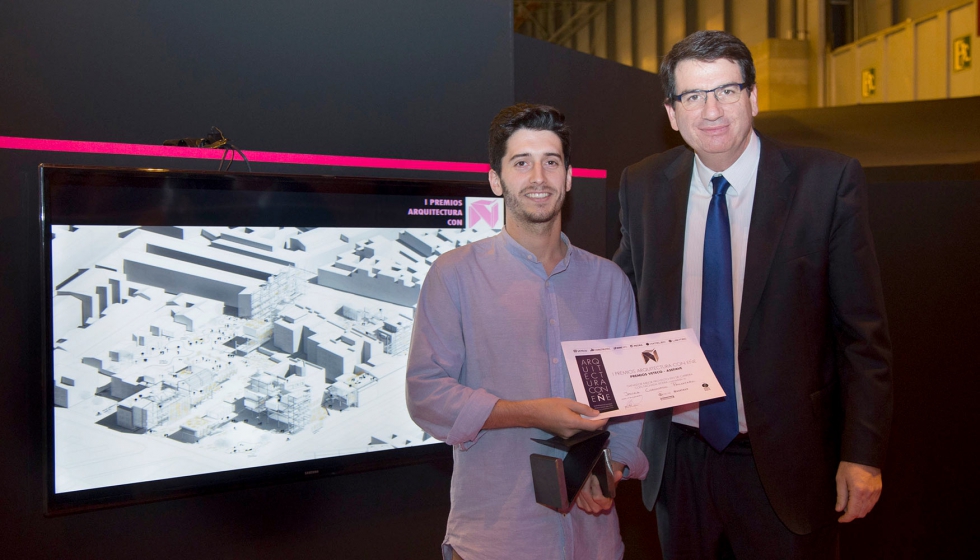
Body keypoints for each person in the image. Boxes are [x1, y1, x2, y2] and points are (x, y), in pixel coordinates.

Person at [613, 31, 893, 559]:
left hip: (784, 465)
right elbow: (620, 308)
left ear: (754, 97)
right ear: (672, 113)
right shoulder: (643, 186)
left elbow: (864, 337)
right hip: (679, 461)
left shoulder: (825, 183)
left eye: (727, 90)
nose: (711, 110)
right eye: (692, 96)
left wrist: (863, 454)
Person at [406, 103, 648, 560]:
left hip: (595, 546)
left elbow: (627, 404)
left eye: (551, 162)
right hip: (493, 543)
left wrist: (611, 468)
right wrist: (529, 412)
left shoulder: (609, 282)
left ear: (569, 176)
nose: (538, 177)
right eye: (522, 163)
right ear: (496, 181)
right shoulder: (454, 274)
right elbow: (426, 396)